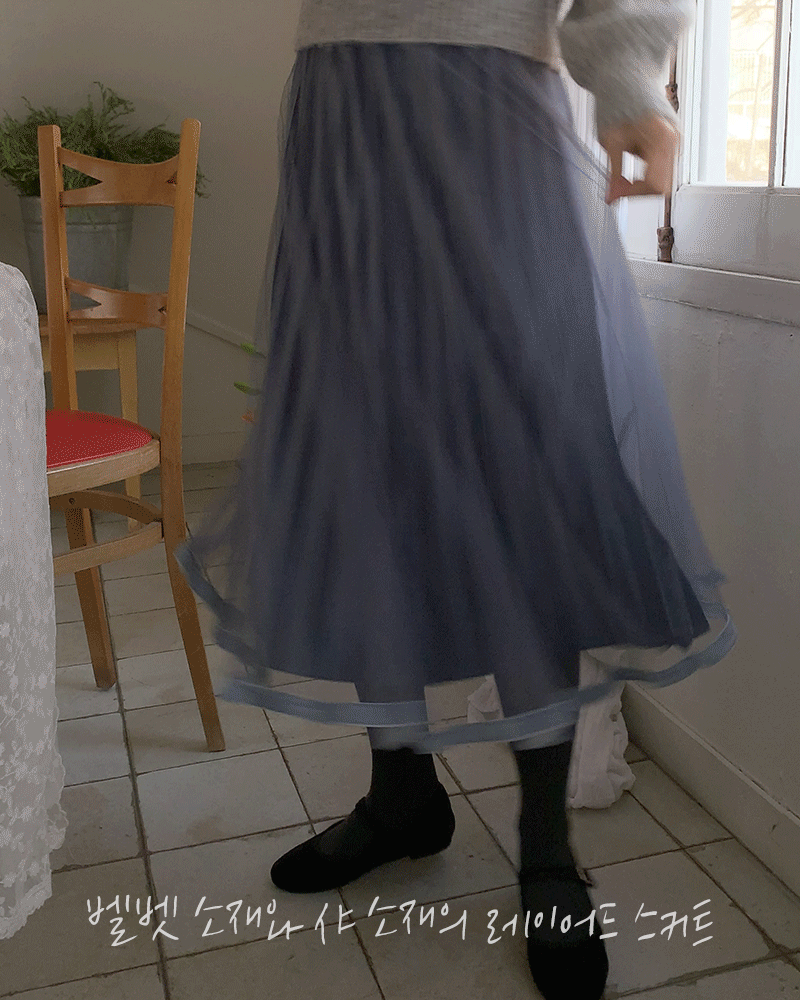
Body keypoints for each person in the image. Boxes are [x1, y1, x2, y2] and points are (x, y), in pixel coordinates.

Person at [175, 2, 736, 997]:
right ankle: (401, 794)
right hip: (341, 110)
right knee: (357, 462)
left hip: (487, 103)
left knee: (528, 477)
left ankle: (546, 844)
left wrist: (627, 80)